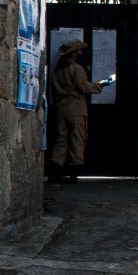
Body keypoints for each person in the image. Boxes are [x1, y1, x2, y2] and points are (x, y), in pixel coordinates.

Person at [47, 39, 107, 183]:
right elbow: (83, 87)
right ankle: (73, 172)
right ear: (74, 53)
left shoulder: (57, 70)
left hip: (61, 108)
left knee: (61, 139)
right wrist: (101, 84)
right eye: (79, 50)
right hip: (76, 108)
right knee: (77, 139)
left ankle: (55, 170)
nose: (81, 52)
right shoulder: (77, 69)